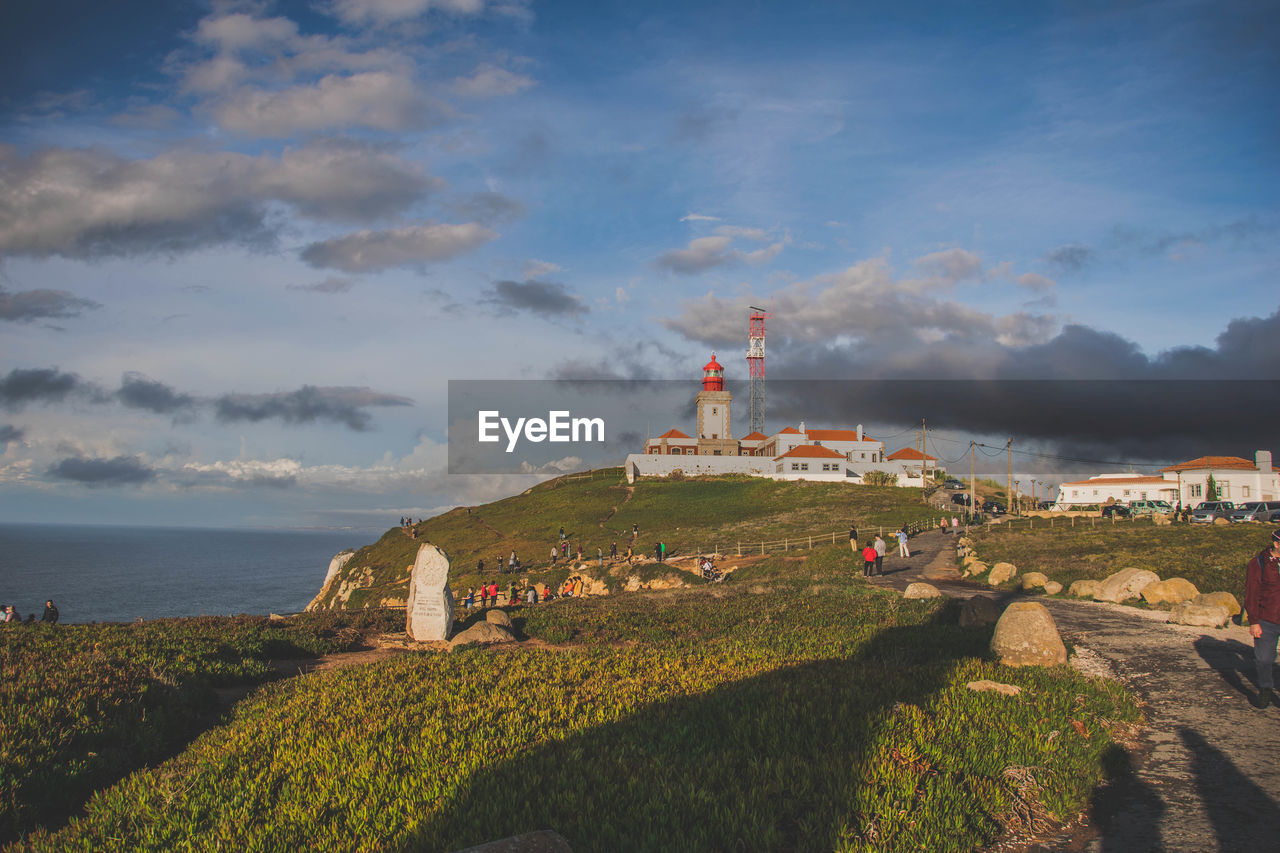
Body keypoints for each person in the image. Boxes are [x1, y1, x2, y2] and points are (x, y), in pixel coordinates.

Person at [1245, 529, 1280, 708]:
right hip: (1267, 619)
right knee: (1264, 659)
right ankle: (1266, 688)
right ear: (1276, 544)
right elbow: (1252, 594)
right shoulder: (1258, 564)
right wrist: (1254, 621)